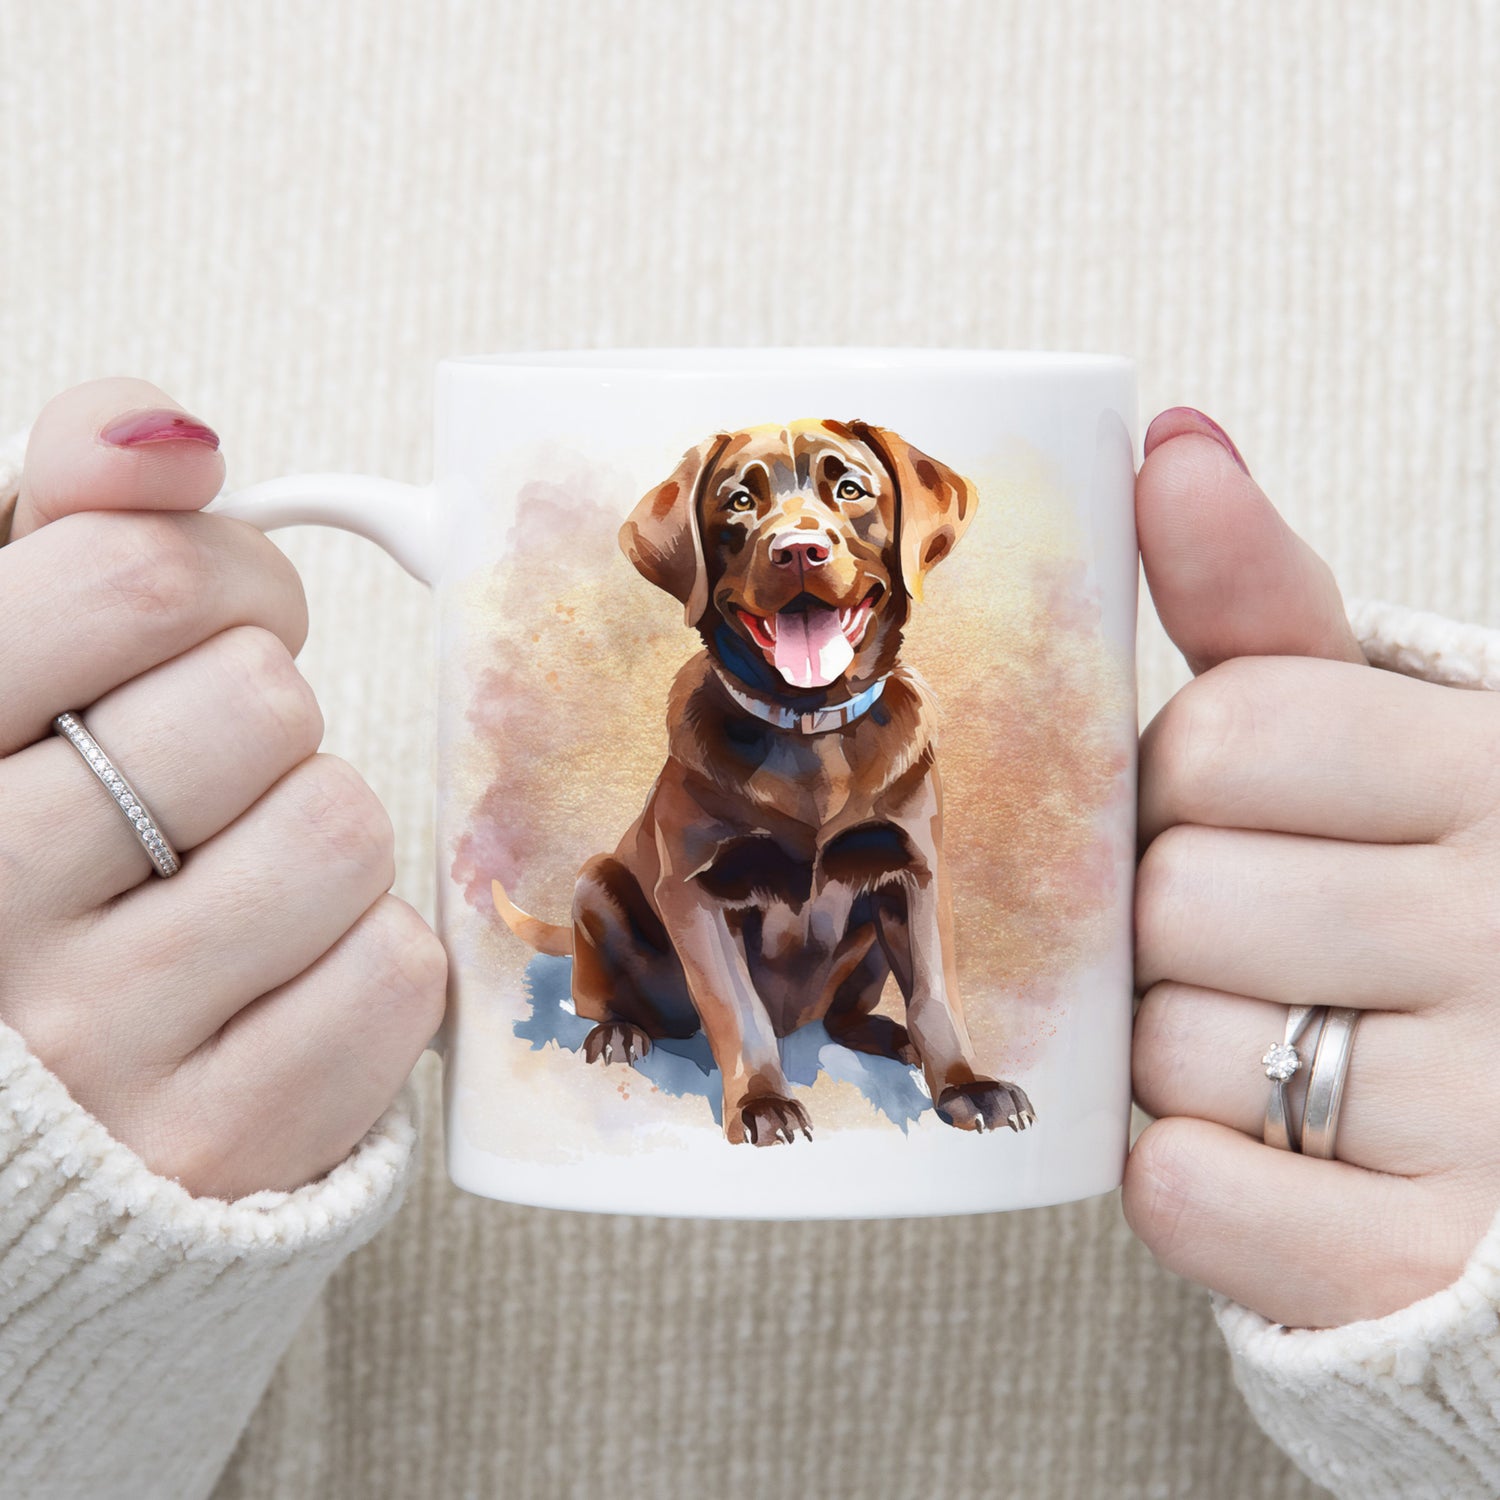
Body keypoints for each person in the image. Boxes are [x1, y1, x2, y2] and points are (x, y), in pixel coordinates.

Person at [1, 379, 1498, 1500]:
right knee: (619, 899)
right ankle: (728, 1058)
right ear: (700, 564)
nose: (797, 532)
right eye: (749, 517)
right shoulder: (702, 724)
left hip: (851, 908)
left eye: (847, 499)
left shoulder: (900, 735)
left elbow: (906, 904)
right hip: (661, 953)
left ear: (908, 534)